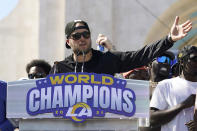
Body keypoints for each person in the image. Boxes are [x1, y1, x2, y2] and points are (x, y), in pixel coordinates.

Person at [50, 16, 192, 75]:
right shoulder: (59, 68)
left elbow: (142, 55)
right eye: (76, 36)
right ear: (68, 41)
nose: (82, 39)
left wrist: (169, 39)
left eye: (86, 34)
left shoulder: (108, 60)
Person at [150, 45, 197, 131]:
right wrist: (182, 106)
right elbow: (152, 120)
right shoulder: (165, 85)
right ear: (182, 61)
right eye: (195, 58)